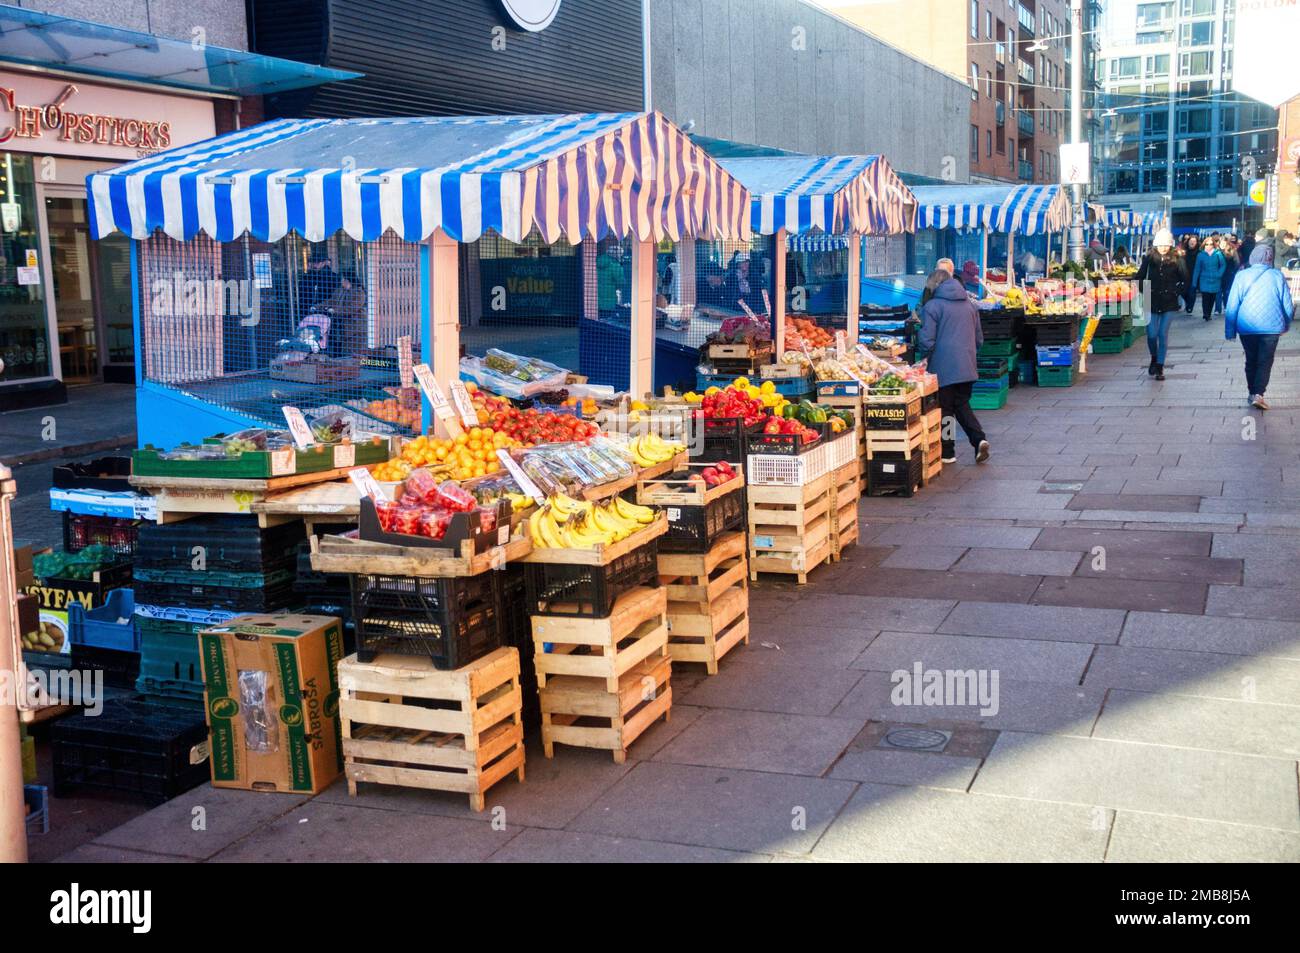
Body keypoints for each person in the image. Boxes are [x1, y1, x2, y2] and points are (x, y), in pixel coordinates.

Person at [918, 272, 989, 465]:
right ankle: (979, 439)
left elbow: (926, 340)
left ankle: (948, 451)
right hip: (967, 365)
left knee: (946, 410)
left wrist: (924, 356)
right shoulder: (970, 306)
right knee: (962, 404)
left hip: (944, 368)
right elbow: (979, 339)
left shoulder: (932, 307)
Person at [1225, 245, 1294, 410]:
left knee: (1251, 360)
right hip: (1271, 327)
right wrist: (1286, 324)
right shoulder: (1277, 275)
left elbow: (1232, 304)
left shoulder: (1241, 275)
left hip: (1247, 327)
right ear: (1270, 258)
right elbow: (1288, 305)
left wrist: (1230, 331)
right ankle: (1258, 394)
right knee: (1265, 361)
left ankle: (1252, 393)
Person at [1136, 228, 1187, 381]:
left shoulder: (1177, 260)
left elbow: (1185, 279)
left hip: (1169, 302)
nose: (1163, 248)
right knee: (1151, 334)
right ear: (1156, 245)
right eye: (1161, 245)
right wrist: (1144, 291)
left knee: (1162, 333)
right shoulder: (1149, 259)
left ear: (1170, 245)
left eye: (1166, 245)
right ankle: (1154, 356)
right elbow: (1138, 277)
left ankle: (1160, 366)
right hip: (1150, 300)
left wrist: (1176, 291)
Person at [313, 269, 367, 356]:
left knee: (354, 352)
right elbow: (331, 301)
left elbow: (351, 308)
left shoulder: (359, 292)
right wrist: (318, 306)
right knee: (344, 351)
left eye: (342, 279)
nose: (341, 281)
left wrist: (335, 310)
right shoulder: (340, 290)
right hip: (343, 328)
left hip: (356, 328)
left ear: (347, 280)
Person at [1190, 236, 1225, 321]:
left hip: (1215, 279)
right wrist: (1194, 282)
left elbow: (1223, 265)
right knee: (1205, 297)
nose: (1209, 246)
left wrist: (1219, 274)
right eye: (1207, 244)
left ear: (1214, 245)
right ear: (1204, 244)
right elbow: (1197, 268)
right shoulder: (1200, 255)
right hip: (1204, 279)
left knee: (1212, 298)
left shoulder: (1218, 254)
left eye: (1211, 244)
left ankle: (1208, 313)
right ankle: (1205, 314)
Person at [298, 246, 338, 315]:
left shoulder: (332, 277)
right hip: (308, 309)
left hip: (326, 309)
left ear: (324, 263)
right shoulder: (307, 277)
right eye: (314, 262)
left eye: (318, 262)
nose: (315, 264)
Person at [596, 240, 625, 318]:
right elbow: (621, 283)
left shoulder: (597, 262)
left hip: (596, 301)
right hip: (610, 301)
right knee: (609, 321)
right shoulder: (615, 266)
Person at [1219, 237, 1240, 314]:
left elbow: (1237, 262)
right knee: (1226, 291)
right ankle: (1225, 307)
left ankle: (1224, 307)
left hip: (1227, 273)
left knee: (1225, 291)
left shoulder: (1219, 251)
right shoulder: (1231, 251)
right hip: (1229, 273)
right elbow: (1237, 262)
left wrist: (1233, 271)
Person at [1181, 235, 1201, 313]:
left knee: (1192, 291)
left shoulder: (1199, 252)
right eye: (1191, 241)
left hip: (1195, 274)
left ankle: (1190, 307)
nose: (1192, 242)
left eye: (1194, 241)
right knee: (1183, 291)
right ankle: (1188, 303)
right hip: (1185, 274)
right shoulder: (1184, 252)